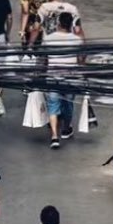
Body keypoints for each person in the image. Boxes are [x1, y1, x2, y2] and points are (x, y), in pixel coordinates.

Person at [44, 9, 81, 147]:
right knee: (68, 104)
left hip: (52, 77)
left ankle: (54, 136)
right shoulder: (77, 40)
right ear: (71, 24)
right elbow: (81, 59)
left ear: (58, 23)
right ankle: (66, 129)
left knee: (53, 106)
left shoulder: (48, 39)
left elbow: (45, 59)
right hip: (70, 79)